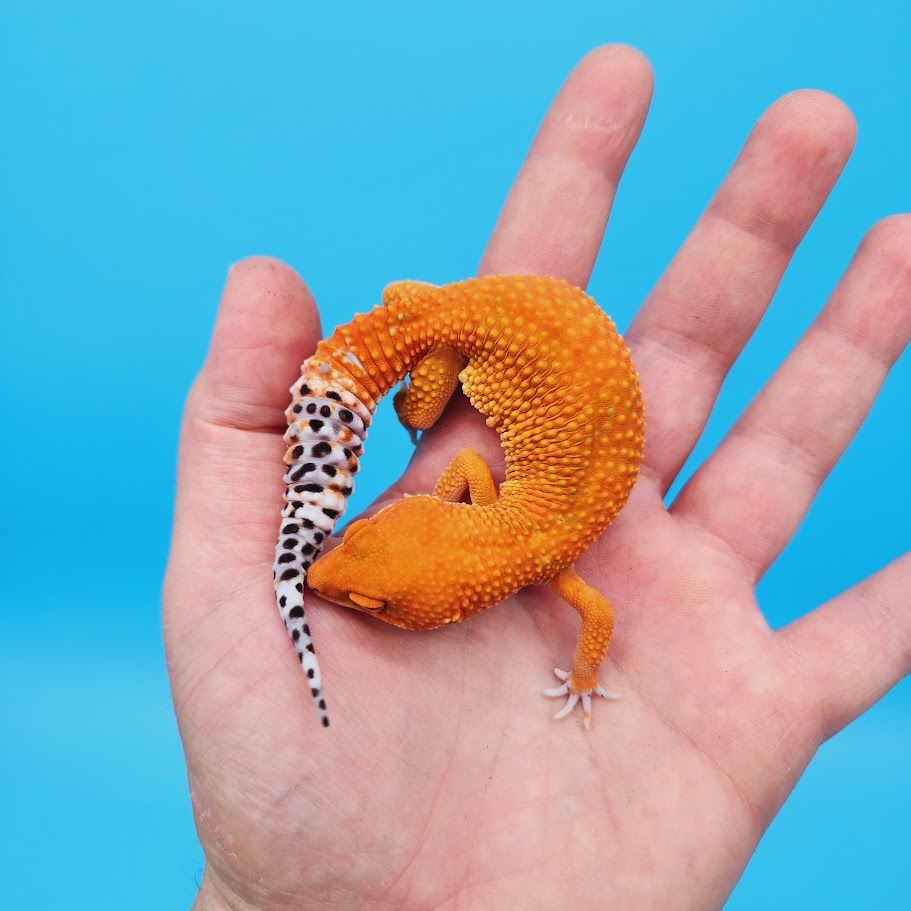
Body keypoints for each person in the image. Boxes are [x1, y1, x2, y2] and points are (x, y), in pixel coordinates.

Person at [164, 45, 910, 910]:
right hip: (489, 327)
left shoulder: (532, 549)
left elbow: (573, 585)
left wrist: (583, 673)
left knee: (417, 401)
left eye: (364, 591)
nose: (332, 574)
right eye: (361, 550)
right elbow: (523, 534)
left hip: (489, 324)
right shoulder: (529, 544)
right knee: (417, 398)